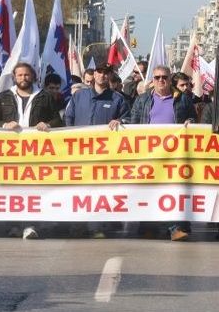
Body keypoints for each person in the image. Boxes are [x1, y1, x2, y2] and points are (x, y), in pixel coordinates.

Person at [0, 62, 63, 239]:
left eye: (27, 75)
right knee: (11, 189)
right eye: (20, 75)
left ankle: (30, 224)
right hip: (9, 152)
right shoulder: (4, 97)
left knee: (31, 189)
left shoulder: (45, 97)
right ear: (14, 77)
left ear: (33, 76)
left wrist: (49, 124)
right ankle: (13, 224)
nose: (23, 78)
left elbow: (58, 121)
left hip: (36, 152)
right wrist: (4, 125)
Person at [129, 65, 196, 241]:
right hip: (148, 155)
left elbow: (193, 120)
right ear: (152, 78)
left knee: (173, 191)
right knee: (148, 190)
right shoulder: (142, 100)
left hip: (175, 155)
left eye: (164, 77)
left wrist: (191, 122)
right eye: (157, 77)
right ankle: (148, 226)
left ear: (169, 77)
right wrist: (118, 122)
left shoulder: (183, 100)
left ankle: (175, 228)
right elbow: (133, 123)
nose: (161, 80)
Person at [64, 63, 130, 239]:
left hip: (105, 156)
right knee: (79, 191)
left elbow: (129, 119)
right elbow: (68, 118)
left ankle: (97, 226)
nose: (102, 75)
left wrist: (121, 122)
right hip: (79, 153)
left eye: (106, 73)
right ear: (94, 75)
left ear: (110, 76)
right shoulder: (79, 96)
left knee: (100, 191)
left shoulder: (117, 99)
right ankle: (77, 225)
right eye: (99, 72)